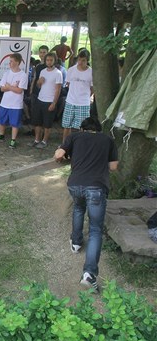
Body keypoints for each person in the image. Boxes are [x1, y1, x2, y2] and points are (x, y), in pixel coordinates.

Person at [54, 117, 118, 291]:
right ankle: (89, 274)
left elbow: (59, 155)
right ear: (98, 129)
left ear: (83, 129)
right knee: (96, 229)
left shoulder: (74, 137)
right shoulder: (108, 140)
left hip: (75, 184)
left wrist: (63, 152)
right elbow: (113, 167)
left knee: (78, 208)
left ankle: (76, 243)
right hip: (97, 186)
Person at [0, 53, 28, 148]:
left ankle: (13, 140)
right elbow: (2, 88)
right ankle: (1, 135)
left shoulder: (23, 75)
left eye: (11, 61)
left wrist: (9, 86)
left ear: (17, 62)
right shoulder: (7, 73)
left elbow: (19, 90)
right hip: (5, 102)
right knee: (1, 120)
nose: (9, 63)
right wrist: (13, 87)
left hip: (16, 104)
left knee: (15, 123)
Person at [28, 52, 62, 149]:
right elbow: (39, 85)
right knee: (37, 121)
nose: (49, 62)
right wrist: (39, 82)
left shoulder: (58, 73)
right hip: (40, 98)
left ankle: (44, 141)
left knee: (47, 123)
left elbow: (58, 89)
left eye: (51, 60)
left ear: (54, 61)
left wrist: (54, 103)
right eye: (47, 60)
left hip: (50, 100)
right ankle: (36, 139)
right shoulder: (42, 71)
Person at [61, 49, 93, 143]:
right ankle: (65, 144)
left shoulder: (91, 72)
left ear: (87, 61)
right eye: (79, 59)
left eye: (83, 60)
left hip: (83, 103)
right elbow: (68, 84)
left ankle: (80, 144)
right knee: (67, 125)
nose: (80, 62)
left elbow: (92, 88)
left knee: (82, 126)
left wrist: (86, 96)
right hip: (70, 101)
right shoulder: (71, 70)